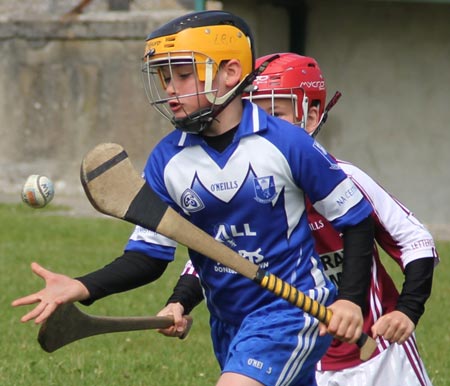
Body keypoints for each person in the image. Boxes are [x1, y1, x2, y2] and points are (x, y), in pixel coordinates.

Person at [12, 12, 377, 386]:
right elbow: (148, 257)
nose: (170, 88)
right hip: (228, 319)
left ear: (230, 73)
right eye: (164, 77)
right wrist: (82, 286)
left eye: (183, 74)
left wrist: (350, 299)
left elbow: (356, 219)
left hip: (291, 309)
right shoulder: (167, 160)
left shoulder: (287, 143)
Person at [156, 52, 439, 386]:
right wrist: (179, 301)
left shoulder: (348, 180)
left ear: (311, 114)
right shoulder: (240, 190)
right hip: (304, 354)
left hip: (378, 355)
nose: (263, 126)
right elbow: (214, 255)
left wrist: (407, 310)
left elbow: (415, 241)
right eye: (252, 112)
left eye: (276, 113)